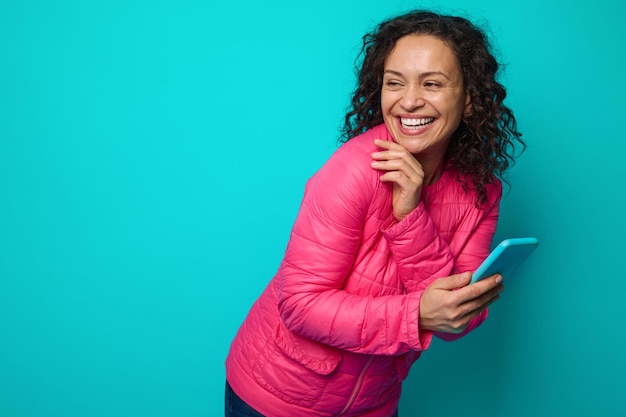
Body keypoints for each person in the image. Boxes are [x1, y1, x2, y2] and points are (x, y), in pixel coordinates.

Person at [225, 9, 524, 417]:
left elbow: (457, 320)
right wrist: (417, 313)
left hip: (374, 402)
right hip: (277, 398)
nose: (409, 100)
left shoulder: (480, 191)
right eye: (394, 83)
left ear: (470, 99)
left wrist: (410, 215)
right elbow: (298, 305)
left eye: (432, 83)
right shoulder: (352, 171)